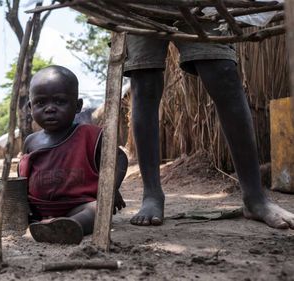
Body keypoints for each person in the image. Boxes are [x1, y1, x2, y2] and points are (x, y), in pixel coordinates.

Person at [124, 17, 294, 228]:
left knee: (223, 71)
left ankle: (255, 198)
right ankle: (151, 195)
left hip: (200, 5)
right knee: (144, 82)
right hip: (140, 5)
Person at [18, 65, 128, 244]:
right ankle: (47, 225)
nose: (50, 109)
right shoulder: (31, 142)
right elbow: (22, 177)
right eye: (40, 103)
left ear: (78, 106)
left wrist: (111, 189)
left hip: (79, 207)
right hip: (39, 210)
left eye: (60, 102)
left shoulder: (89, 134)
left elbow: (120, 159)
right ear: (30, 107)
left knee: (99, 209)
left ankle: (69, 226)